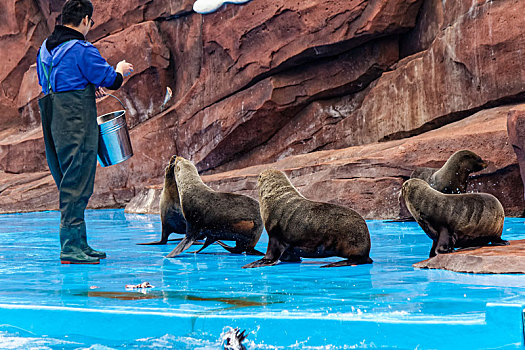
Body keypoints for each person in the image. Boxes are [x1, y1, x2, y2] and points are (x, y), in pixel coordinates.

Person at [36, 0, 134, 264]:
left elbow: (50, 83)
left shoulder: (45, 48)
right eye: (90, 22)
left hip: (55, 118)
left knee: (72, 179)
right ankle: (69, 247)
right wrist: (120, 70)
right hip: (76, 120)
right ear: (85, 20)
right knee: (75, 183)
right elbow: (112, 80)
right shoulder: (81, 49)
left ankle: (80, 243)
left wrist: (87, 84)